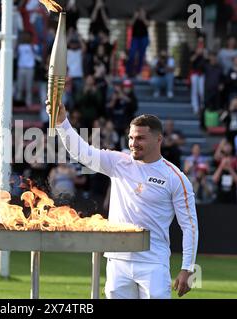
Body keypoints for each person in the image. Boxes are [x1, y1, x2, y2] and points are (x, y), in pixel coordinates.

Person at [47, 102, 198, 299]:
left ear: (159, 139)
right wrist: (62, 122)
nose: (134, 143)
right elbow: (81, 153)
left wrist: (188, 267)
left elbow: (189, 225)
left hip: (153, 263)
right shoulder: (119, 162)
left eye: (141, 138)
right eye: (131, 138)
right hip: (117, 260)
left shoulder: (175, 178)